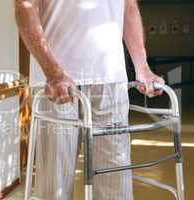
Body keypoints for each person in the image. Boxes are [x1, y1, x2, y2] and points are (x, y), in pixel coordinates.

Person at [15, 0, 165, 200]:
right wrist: (52, 72)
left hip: (110, 79)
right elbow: (24, 7)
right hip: (55, 85)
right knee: (54, 186)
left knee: (115, 181)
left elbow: (128, 6)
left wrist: (142, 66)